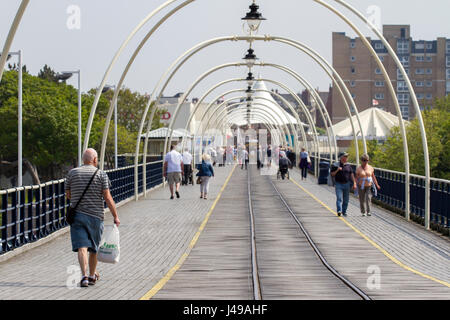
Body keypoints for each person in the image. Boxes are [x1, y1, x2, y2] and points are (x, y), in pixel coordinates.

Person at [65, 148, 120, 288]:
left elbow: (68, 195)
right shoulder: (101, 174)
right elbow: (107, 197)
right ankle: (92, 275)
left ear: (83, 159)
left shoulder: (72, 173)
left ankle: (83, 276)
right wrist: (115, 216)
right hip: (96, 217)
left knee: (81, 247)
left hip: (77, 216)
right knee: (94, 249)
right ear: (95, 160)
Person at [330, 152, 356, 217]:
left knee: (346, 199)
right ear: (341, 157)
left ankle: (344, 211)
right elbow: (332, 174)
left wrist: (354, 183)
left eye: (347, 156)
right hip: (338, 184)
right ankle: (339, 211)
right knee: (339, 198)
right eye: (345, 156)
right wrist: (337, 170)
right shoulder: (335, 165)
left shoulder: (348, 165)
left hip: (347, 184)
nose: (347, 158)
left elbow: (351, 174)